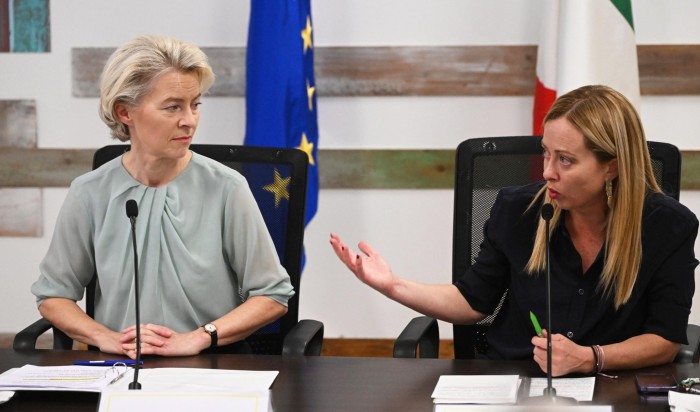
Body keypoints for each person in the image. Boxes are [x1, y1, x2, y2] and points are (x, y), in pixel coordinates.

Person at [331, 85, 698, 377]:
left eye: (565, 160)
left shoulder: (668, 226)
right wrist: (393, 285)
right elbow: (473, 302)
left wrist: (590, 358)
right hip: (514, 382)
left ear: (612, 167)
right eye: (546, 153)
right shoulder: (518, 210)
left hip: (612, 387)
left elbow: (664, 339)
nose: (548, 172)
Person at [31, 35, 294, 358]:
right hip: (119, 367)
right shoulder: (89, 192)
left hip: (210, 365)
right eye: (173, 107)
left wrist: (199, 337)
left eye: (195, 104)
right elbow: (53, 295)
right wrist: (105, 337)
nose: (190, 120)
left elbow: (273, 295)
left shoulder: (227, 187)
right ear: (125, 112)